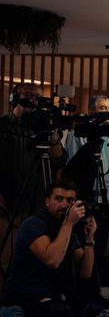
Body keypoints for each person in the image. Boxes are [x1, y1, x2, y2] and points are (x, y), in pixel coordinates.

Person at [0, 178, 106, 317]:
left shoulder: (67, 230)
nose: (64, 205)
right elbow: (52, 259)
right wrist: (68, 223)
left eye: (70, 200)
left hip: (50, 310)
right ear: (46, 201)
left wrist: (90, 238)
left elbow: (85, 271)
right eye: (59, 199)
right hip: (20, 309)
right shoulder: (33, 225)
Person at [1, 83, 67, 288]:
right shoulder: (3, 125)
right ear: (14, 98)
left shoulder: (41, 127)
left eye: (37, 97)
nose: (32, 101)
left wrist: (53, 133)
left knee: (36, 256)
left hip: (37, 201)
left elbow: (60, 160)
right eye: (27, 96)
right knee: (5, 257)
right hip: (7, 201)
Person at [61, 94, 109, 310]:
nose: (107, 111)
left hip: (108, 198)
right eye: (102, 107)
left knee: (100, 247)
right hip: (88, 197)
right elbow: (73, 166)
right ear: (93, 111)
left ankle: (96, 291)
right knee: (86, 245)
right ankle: (85, 293)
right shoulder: (81, 134)